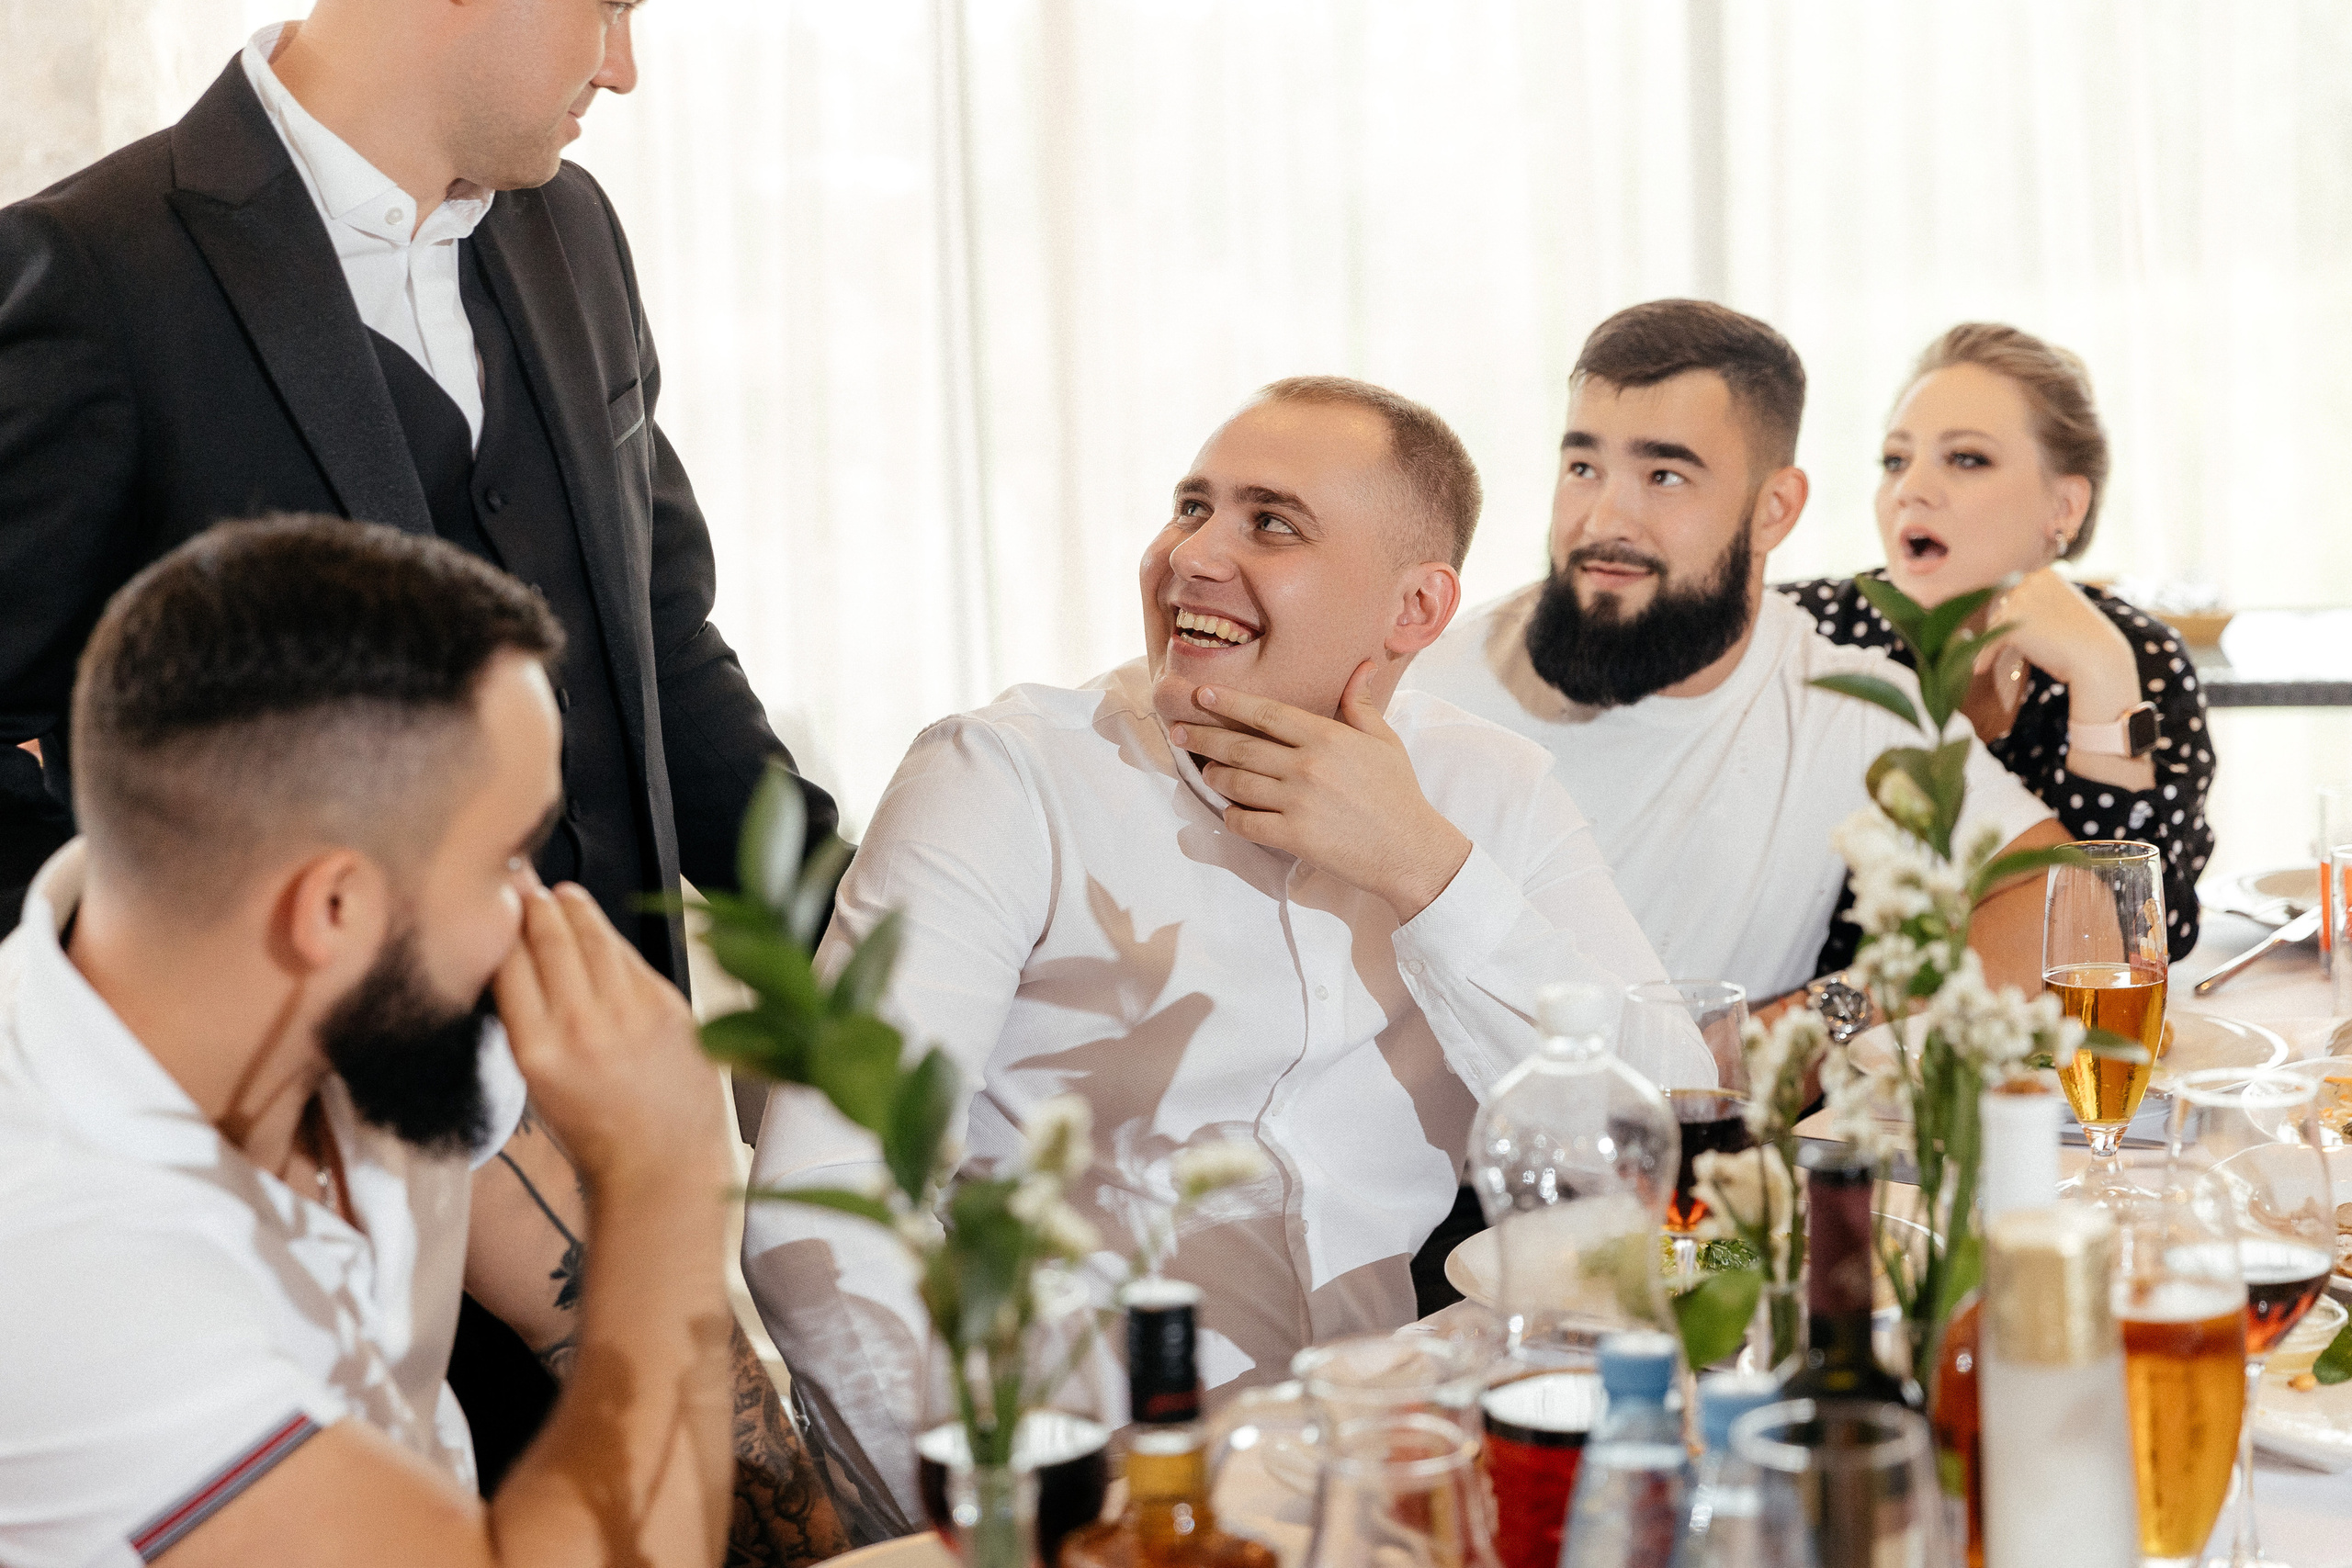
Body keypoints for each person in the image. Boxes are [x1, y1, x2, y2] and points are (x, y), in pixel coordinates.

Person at [0, 0, 841, 1506]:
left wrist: (859, 943)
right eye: (610, 8)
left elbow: (661, 642)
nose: (625, 66)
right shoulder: (91, 273)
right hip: (320, 1207)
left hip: (617, 1134)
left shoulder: (573, 229)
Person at [741, 377, 1684, 1515]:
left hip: (1388, 1461)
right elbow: (820, 1202)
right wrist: (1014, 1521)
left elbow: (1674, 1127)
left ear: (1415, 609)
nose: (1189, 555)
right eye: (1191, 507)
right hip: (1086, 1482)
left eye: (1269, 523)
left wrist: (1423, 870)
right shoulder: (1002, 780)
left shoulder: (1494, 791)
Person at [0, 518, 834, 1568]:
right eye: (509, 860)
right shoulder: (65, 1260)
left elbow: (573, 1303)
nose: (540, 911)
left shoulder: (367, 1013)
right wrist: (663, 1175)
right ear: (332, 908)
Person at [1405, 300, 2067, 1008]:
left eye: (1664, 475)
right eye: (1583, 466)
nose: (1603, 520)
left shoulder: (1843, 704)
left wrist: (1805, 1027)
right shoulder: (1426, 689)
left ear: (1774, 508)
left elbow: (2065, 900)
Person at [1780, 323, 2213, 964]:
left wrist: (2101, 674)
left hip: (2026, 1031)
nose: (1910, 489)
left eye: (1966, 459)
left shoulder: (2139, 658)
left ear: (2064, 506)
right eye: (1896, 460)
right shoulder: (1809, 630)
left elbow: (2135, 943)